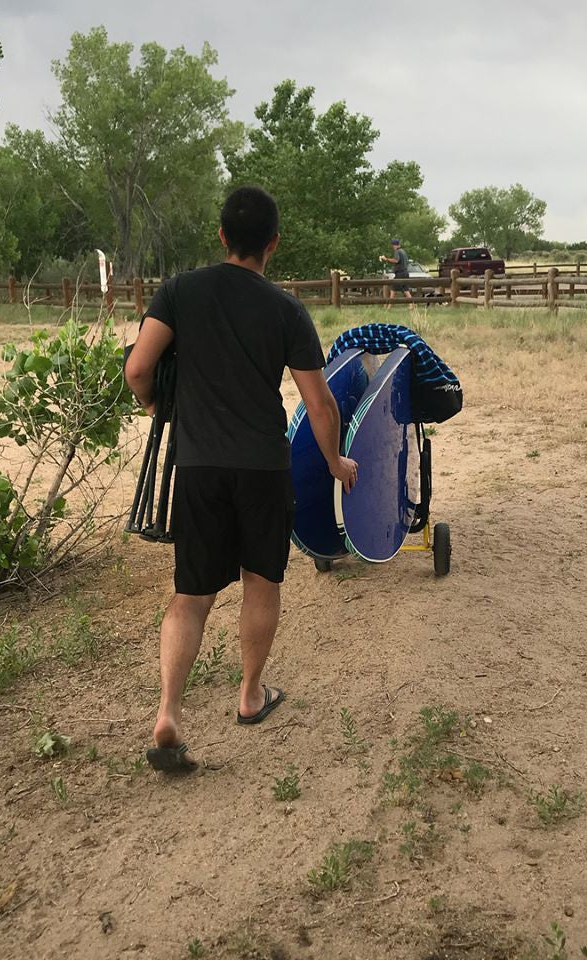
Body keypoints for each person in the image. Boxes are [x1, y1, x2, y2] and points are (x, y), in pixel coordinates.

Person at [124, 186, 358, 775]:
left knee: (190, 597)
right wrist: (336, 464)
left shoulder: (179, 291)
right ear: (272, 245)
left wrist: (155, 404)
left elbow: (137, 368)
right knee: (262, 584)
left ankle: (168, 712)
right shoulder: (286, 311)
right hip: (262, 468)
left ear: (222, 236)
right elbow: (320, 405)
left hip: (198, 467)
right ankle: (250, 696)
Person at [379, 238, 413, 304]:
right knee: (406, 289)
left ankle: (389, 306)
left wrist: (386, 259)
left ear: (396, 245)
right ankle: (412, 304)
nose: (393, 247)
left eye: (393, 245)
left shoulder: (397, 251)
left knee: (393, 289)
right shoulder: (403, 251)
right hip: (405, 273)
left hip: (400, 273)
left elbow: (396, 260)